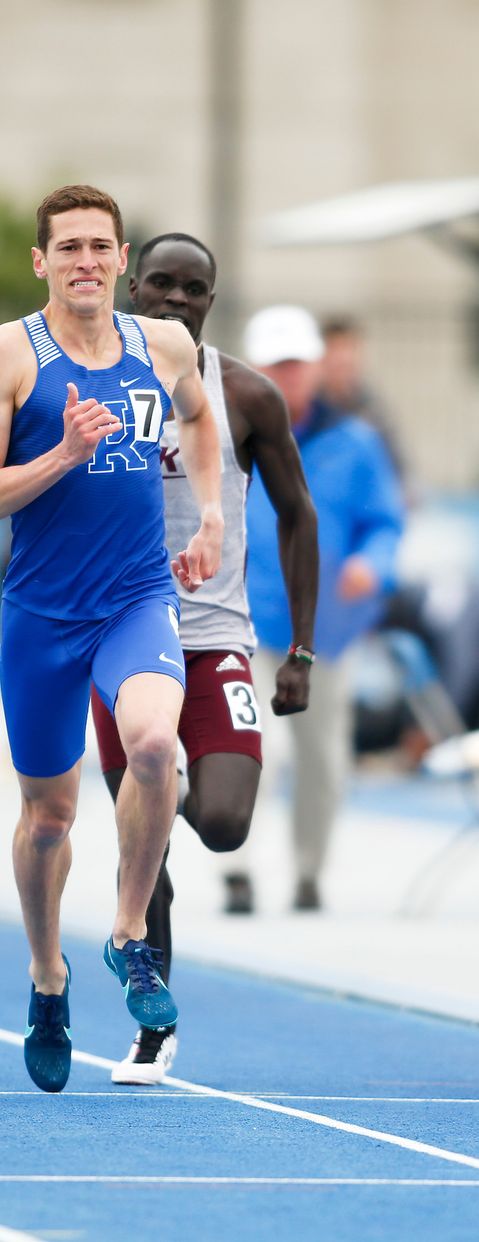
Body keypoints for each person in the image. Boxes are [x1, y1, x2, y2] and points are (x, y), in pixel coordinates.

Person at [0, 185, 224, 1093]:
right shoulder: (5, 357)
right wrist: (64, 455)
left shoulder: (164, 344)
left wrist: (213, 517)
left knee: (155, 745)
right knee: (50, 819)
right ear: (42, 262)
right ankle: (47, 978)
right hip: (41, 612)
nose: (84, 261)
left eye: (99, 247)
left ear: (121, 260)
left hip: (137, 595)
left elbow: (197, 416)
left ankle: (125, 938)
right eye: (66, 246)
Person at [89, 233, 318, 1084]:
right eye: (160, 285)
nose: (174, 302)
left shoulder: (248, 394)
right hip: (117, 635)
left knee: (222, 824)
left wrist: (300, 648)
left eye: (193, 290)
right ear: (129, 285)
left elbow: (298, 515)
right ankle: (154, 1026)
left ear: (211, 303)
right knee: (149, 857)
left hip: (216, 638)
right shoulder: (85, 379)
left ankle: (153, 812)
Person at [244, 305, 405, 911]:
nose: (288, 376)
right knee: (252, 742)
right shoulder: (232, 434)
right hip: (247, 621)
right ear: (256, 368)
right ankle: (239, 868)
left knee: (322, 755)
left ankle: (309, 870)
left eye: (297, 364)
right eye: (276, 365)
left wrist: (374, 564)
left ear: (314, 368)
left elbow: (384, 523)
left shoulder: (356, 443)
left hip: (327, 628)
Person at [319, 317, 408, 484]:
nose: (343, 358)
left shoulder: (374, 410)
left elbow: (398, 466)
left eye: (349, 348)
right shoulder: (306, 408)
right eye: (335, 348)